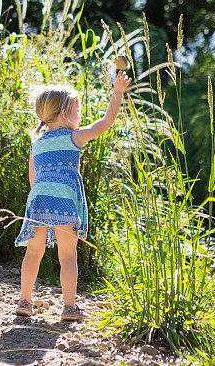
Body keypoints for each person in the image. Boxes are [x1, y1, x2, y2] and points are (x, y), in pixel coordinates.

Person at [14, 72, 132, 321]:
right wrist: (118, 92)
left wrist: (40, 199)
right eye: (78, 111)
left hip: (38, 200)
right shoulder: (73, 137)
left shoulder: (36, 143)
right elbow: (105, 122)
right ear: (65, 114)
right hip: (64, 199)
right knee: (67, 255)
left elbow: (33, 179)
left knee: (33, 253)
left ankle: (24, 301)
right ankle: (69, 307)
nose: (81, 116)